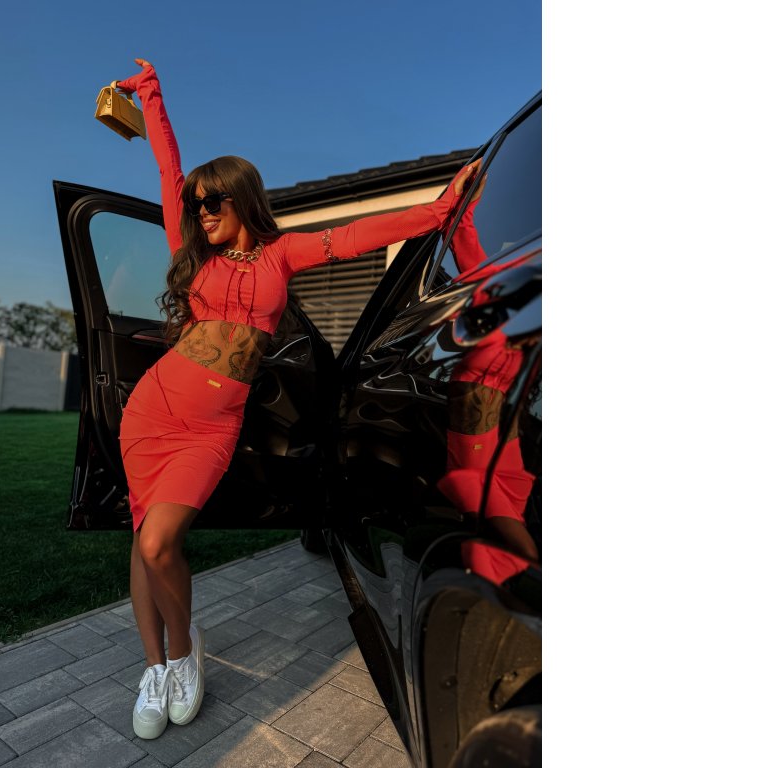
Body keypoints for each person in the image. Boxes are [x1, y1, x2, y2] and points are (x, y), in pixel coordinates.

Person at [112, 58, 481, 740]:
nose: (201, 211)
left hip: (210, 427)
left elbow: (356, 237)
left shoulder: (281, 255)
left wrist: (437, 210)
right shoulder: (196, 255)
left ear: (241, 200)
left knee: (162, 543)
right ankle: (154, 668)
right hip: (153, 411)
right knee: (144, 542)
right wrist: (152, 96)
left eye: (213, 202)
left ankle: (185, 650)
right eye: (196, 204)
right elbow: (169, 171)